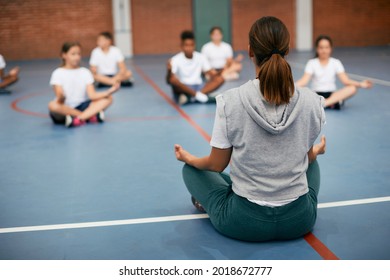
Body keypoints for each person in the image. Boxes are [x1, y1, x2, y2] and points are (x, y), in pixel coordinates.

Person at [174, 16, 327, 242]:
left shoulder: (230, 100)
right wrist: (315, 152)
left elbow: (217, 164)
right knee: (312, 162)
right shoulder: (313, 101)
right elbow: (303, 158)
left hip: (244, 222)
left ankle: (218, 199)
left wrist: (190, 158)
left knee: (191, 170)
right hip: (299, 220)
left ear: (250, 51)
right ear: (287, 51)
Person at [48, 42, 119, 128]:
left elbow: (92, 95)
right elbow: (59, 100)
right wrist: (62, 97)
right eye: (73, 54)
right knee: (52, 105)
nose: (77, 57)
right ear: (64, 55)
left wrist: (109, 91)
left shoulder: (85, 72)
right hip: (65, 109)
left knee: (108, 98)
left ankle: (79, 119)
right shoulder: (58, 73)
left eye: (79, 54)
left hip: (82, 106)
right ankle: (89, 116)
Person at [295, 35, 372, 109]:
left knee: (352, 88)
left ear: (330, 48)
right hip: (316, 95)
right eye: (321, 47)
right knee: (302, 91)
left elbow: (346, 81)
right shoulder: (312, 63)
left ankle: (324, 104)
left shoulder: (336, 62)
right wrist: (290, 87)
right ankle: (330, 104)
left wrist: (361, 84)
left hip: (333, 95)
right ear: (317, 49)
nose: (324, 50)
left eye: (326, 47)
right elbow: (303, 81)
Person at [166, 30, 224, 105]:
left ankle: (191, 97)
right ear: (182, 46)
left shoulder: (201, 57)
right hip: (184, 87)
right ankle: (198, 96)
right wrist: (169, 71)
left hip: (200, 87)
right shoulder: (175, 59)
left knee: (220, 79)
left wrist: (218, 73)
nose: (189, 48)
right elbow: (169, 80)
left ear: (194, 45)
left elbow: (211, 73)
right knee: (173, 80)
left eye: (191, 45)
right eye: (187, 45)